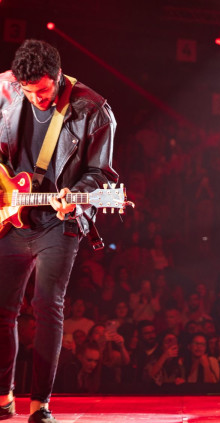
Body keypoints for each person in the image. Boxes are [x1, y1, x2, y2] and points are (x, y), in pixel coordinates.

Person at [0, 39, 118, 423]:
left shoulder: (93, 109)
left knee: (47, 306)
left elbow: (101, 174)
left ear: (58, 76)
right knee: (3, 309)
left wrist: (77, 197)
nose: (36, 99)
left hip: (59, 220)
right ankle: (3, 397)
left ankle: (40, 404)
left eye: (43, 91)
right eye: (28, 91)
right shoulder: (5, 89)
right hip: (11, 217)